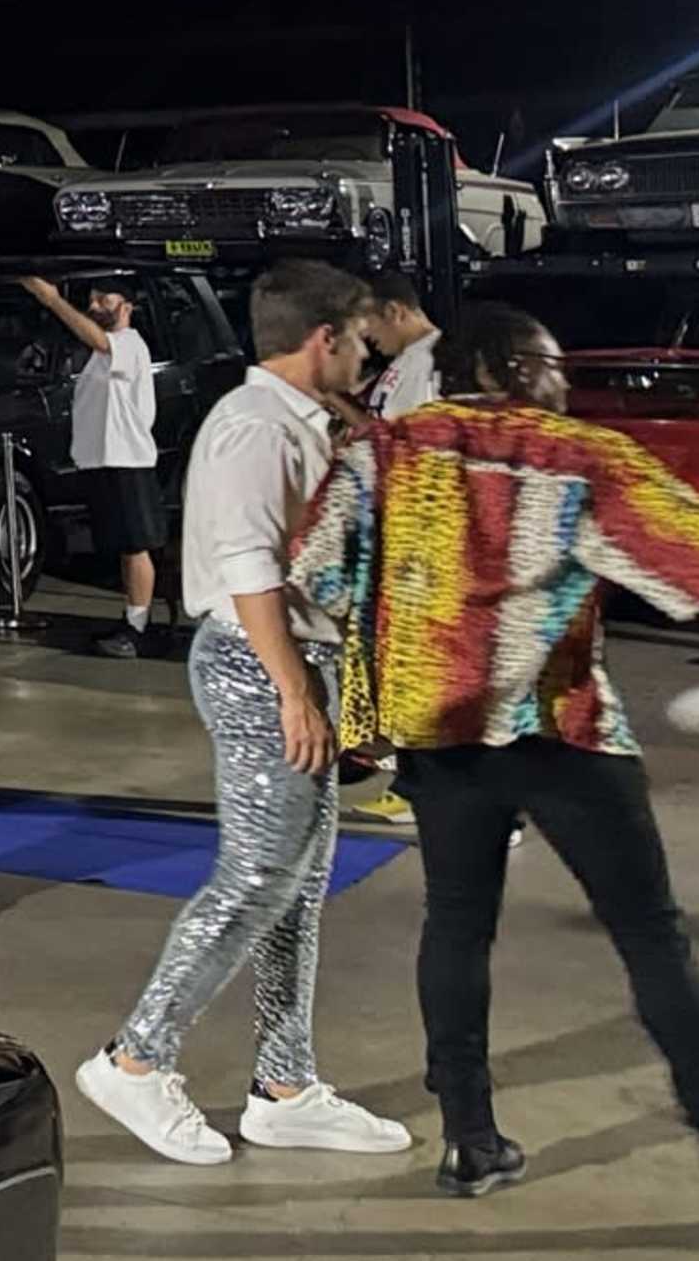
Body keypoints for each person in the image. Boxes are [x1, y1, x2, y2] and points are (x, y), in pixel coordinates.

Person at [294, 299, 699, 1233]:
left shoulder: (381, 455)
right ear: (511, 366)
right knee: (653, 942)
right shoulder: (575, 455)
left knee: (458, 929)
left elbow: (314, 573)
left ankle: (469, 1140)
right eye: (553, 365)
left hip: (439, 742)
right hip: (565, 734)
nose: (563, 384)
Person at [77, 257, 411, 1166]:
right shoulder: (252, 428)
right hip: (261, 665)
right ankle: (136, 1058)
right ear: (324, 338)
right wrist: (295, 693)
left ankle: (285, 1083)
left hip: (299, 661)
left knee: (299, 883)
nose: (369, 353)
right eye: (359, 338)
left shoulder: (303, 420)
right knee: (259, 876)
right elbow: (248, 568)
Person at [20, 274, 172, 661]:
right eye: (93, 299)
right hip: (104, 460)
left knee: (136, 545)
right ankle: (132, 618)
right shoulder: (102, 355)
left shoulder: (128, 345)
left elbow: (98, 339)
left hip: (127, 459)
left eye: (105, 299)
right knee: (124, 546)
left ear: (127, 306)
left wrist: (53, 300)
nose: (96, 305)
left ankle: (137, 629)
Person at [363, 272, 443, 419]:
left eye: (367, 320)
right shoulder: (411, 356)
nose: (364, 333)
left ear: (393, 311)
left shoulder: (432, 360)